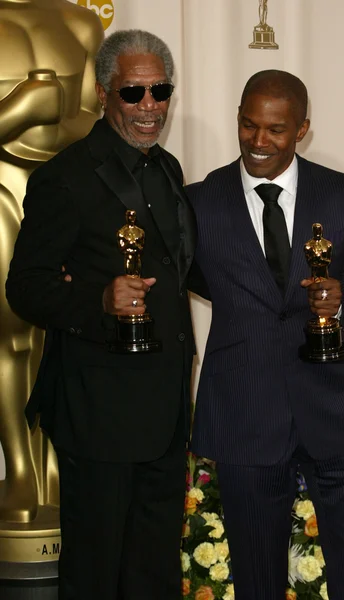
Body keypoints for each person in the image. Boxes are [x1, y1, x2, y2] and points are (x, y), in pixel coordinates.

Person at [6, 29, 197, 600]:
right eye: (133, 93)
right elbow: (26, 288)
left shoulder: (167, 169)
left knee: (154, 569)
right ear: (102, 93)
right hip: (98, 413)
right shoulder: (64, 178)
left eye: (159, 92)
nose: (150, 108)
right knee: (95, 573)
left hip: (165, 409)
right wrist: (98, 300)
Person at [186, 70, 344, 600]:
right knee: (256, 577)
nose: (259, 141)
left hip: (333, 409)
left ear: (302, 129)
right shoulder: (198, 202)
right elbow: (188, 279)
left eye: (275, 130)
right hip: (244, 408)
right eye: (248, 126)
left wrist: (342, 298)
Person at [0, 0, 103, 524]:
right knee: (10, 337)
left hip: (63, 201)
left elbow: (93, 123)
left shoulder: (80, 21)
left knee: (66, 328)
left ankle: (59, 465)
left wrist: (52, 119)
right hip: (1, 192)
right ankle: (21, 471)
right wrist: (18, 111)